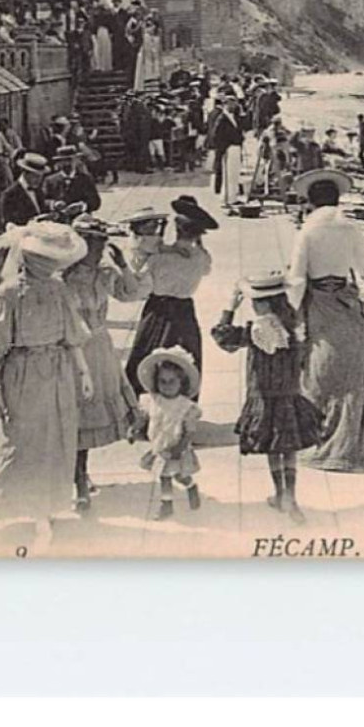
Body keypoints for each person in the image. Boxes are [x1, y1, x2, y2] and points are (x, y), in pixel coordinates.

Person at [0, 221, 93, 549]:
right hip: (21, 374)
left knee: (55, 440)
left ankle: (44, 510)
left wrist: (84, 373)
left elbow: (73, 337)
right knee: (18, 440)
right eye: (44, 259)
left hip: (58, 372)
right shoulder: (8, 294)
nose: (51, 266)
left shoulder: (59, 290)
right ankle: (6, 507)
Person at [287, 169, 364, 472]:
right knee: (352, 368)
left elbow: (296, 277)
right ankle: (348, 444)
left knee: (319, 368)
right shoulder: (349, 227)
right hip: (345, 299)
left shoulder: (307, 231)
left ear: (312, 202)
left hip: (320, 300)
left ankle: (322, 440)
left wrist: (291, 310)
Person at [212, 272, 325, 524]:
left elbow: (222, 337)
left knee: (273, 448)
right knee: (289, 449)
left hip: (264, 398)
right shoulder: (292, 325)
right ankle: (291, 498)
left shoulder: (258, 329)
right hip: (289, 396)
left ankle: (279, 493)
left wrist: (230, 307)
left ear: (262, 303)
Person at [62, 216, 145, 512]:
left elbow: (133, 293)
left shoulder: (103, 273)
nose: (99, 250)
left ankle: (81, 475)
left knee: (93, 415)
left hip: (99, 348)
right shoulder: (63, 277)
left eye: (101, 244)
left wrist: (124, 265)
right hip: (72, 352)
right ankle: (79, 481)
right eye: (94, 244)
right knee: (75, 418)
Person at [123, 197, 215, 399]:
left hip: (157, 311)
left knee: (145, 356)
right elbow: (206, 268)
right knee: (186, 359)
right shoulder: (202, 258)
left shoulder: (158, 258)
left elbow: (140, 284)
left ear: (176, 228)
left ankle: (142, 405)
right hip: (185, 311)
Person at [132, 347, 202, 520]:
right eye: (162, 381)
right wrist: (134, 429)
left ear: (182, 382)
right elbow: (144, 417)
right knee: (164, 477)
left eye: (172, 381)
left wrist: (179, 448)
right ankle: (166, 505)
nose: (167, 386)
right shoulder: (153, 400)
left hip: (177, 448)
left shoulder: (185, 407)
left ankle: (191, 486)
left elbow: (189, 432)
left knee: (179, 475)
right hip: (160, 447)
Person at [208, 95, 246, 210]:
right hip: (229, 149)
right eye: (230, 104)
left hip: (236, 147)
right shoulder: (222, 118)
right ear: (225, 104)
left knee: (234, 174)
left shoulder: (234, 117)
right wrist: (223, 149)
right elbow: (216, 136)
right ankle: (226, 199)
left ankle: (233, 197)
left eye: (234, 104)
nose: (233, 106)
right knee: (228, 175)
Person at [42, 146, 101, 215]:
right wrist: (54, 204)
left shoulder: (85, 179)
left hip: (81, 219)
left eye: (70, 160)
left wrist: (81, 206)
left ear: (76, 160)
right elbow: (42, 201)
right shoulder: (50, 180)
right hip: (58, 220)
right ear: (58, 162)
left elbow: (95, 202)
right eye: (63, 161)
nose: (67, 164)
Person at [0, 152, 50, 227]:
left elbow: (41, 210)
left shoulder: (38, 190)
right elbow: (8, 224)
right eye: (35, 176)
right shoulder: (10, 194)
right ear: (25, 173)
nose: (39, 180)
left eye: (41, 177)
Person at [132, 17, 163, 92]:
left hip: (155, 61)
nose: (152, 28)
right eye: (149, 26)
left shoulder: (156, 38)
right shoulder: (146, 37)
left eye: (153, 25)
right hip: (146, 60)